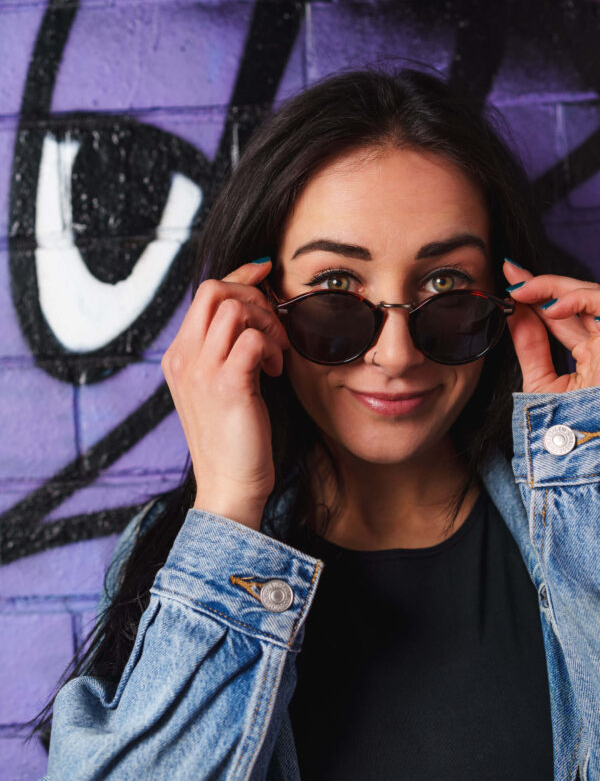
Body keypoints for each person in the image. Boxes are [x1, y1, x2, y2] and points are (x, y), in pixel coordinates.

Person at [41, 70, 600, 780]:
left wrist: (588, 480)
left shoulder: (579, 526)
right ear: (256, 306)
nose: (395, 356)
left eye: (447, 287)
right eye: (336, 289)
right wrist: (229, 509)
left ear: (505, 296)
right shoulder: (168, 556)